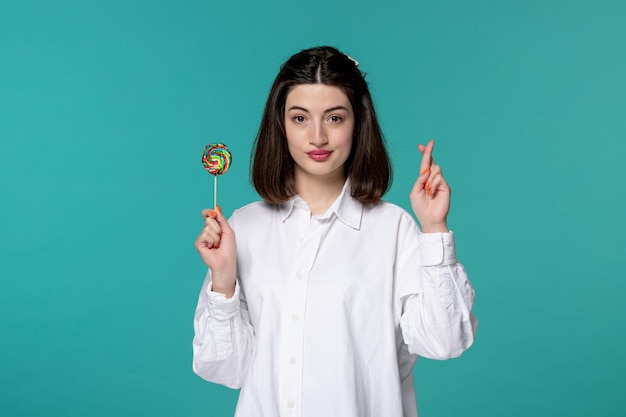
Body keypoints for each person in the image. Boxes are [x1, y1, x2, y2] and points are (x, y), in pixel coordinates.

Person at [192, 46, 477, 417]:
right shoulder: (243, 228)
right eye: (299, 118)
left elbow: (445, 342)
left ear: (358, 122)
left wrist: (435, 228)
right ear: (279, 124)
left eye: (335, 118)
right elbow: (226, 370)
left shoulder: (393, 230)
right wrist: (223, 281)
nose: (317, 137)